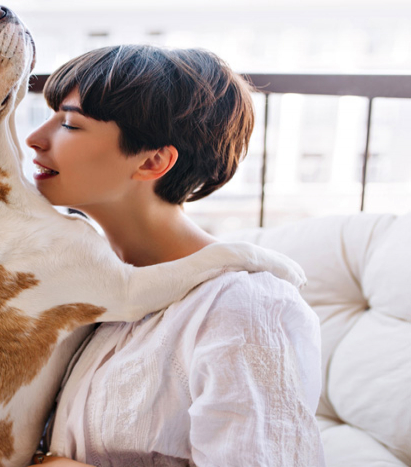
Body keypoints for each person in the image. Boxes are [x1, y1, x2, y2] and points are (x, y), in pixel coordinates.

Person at [24, 45, 325, 467]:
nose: (34, 138)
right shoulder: (83, 287)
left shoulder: (244, 309)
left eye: (70, 124)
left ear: (153, 161)